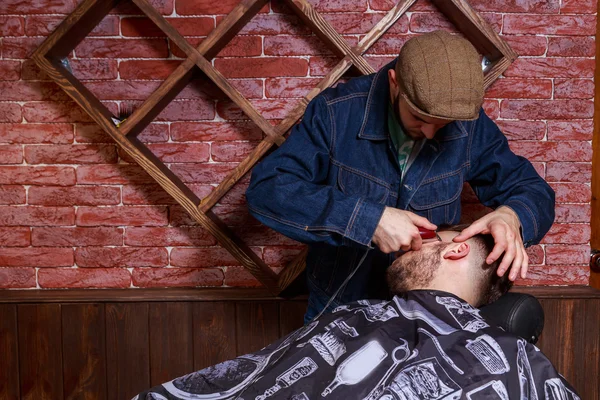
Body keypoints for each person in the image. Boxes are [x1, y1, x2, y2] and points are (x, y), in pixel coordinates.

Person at [245, 30, 555, 322]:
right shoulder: (336, 111)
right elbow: (268, 190)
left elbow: (532, 189)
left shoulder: (469, 125)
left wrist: (512, 215)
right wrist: (369, 220)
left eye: (442, 124)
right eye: (419, 118)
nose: (431, 132)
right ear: (395, 83)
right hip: (339, 309)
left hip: (425, 316)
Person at [133, 228, 577, 400]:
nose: (406, 244)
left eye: (426, 235)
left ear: (456, 247)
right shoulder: (354, 316)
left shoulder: (508, 355)